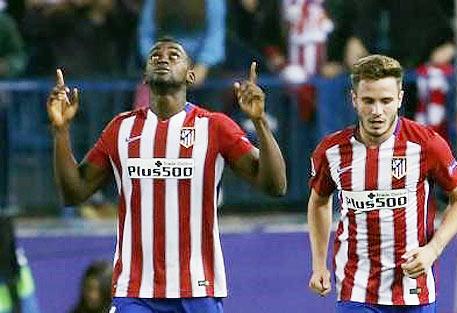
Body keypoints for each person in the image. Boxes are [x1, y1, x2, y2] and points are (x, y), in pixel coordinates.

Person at [47, 37, 286, 313]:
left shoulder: (215, 127)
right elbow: (73, 193)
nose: (162, 58)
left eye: (174, 55)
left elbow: (275, 185)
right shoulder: (121, 129)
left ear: (190, 74)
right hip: (135, 292)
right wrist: (61, 130)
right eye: (155, 56)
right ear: (144, 76)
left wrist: (260, 121)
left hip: (198, 289)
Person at [307, 55, 457, 312]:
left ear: (400, 99)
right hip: (356, 288)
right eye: (368, 101)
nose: (377, 111)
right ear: (354, 99)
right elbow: (319, 201)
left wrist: (433, 249)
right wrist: (319, 264)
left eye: (385, 101)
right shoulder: (332, 151)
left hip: (413, 289)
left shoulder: (426, 144)